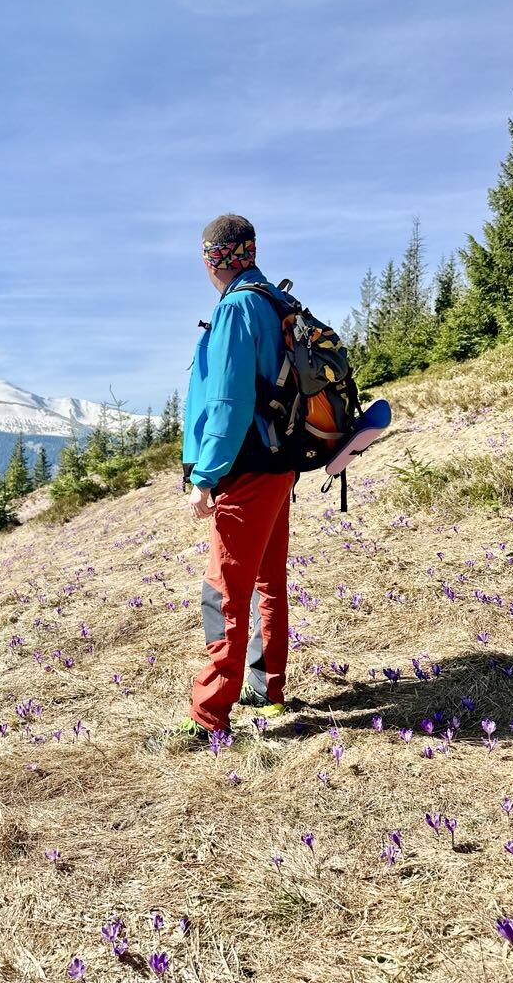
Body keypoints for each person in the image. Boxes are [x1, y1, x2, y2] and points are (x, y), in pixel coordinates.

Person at [171, 213, 295, 746]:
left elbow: (227, 402)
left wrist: (206, 476)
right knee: (267, 580)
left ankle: (209, 718)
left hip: (245, 469)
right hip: (277, 461)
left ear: (212, 259)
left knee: (222, 592)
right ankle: (266, 688)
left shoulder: (238, 308)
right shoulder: (270, 299)